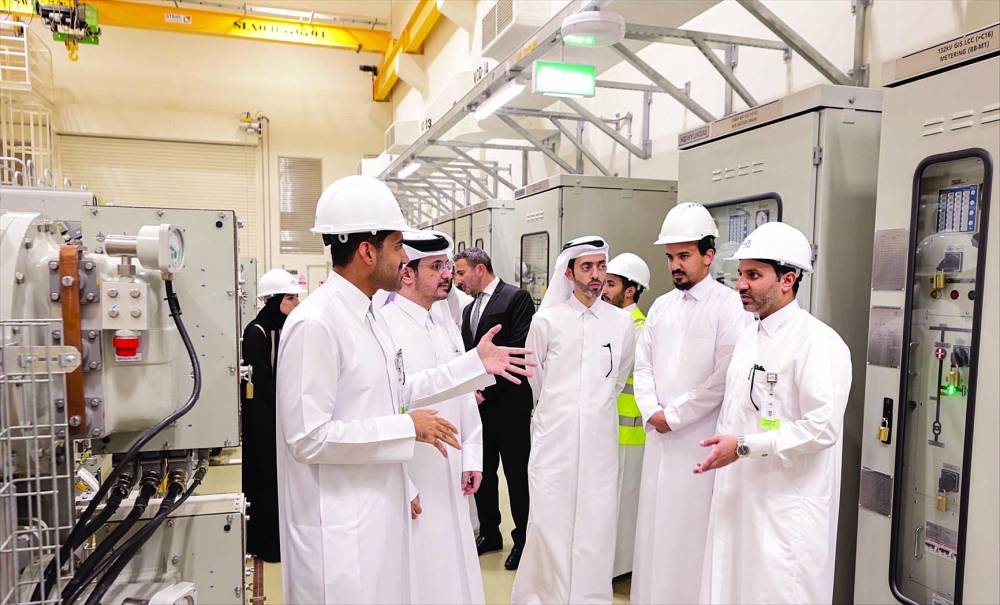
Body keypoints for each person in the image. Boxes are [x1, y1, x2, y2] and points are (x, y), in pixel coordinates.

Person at [274, 175, 535, 604]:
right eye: (398, 247)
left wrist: (475, 364)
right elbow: (307, 437)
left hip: (376, 516)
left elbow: (400, 388)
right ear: (367, 251)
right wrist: (407, 428)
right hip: (339, 530)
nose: (403, 258)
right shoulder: (317, 323)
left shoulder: (368, 317)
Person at [695, 221, 852, 605]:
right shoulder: (749, 337)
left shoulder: (818, 342)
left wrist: (744, 446)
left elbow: (822, 428)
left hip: (786, 512)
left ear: (788, 280)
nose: (740, 284)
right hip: (742, 501)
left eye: (753, 275)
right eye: (740, 274)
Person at [630, 203, 752, 605]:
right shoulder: (661, 307)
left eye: (684, 256)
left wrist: (675, 416)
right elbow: (643, 365)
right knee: (654, 532)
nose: (675, 266)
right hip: (659, 439)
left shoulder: (729, 307)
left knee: (690, 538)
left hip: (699, 442)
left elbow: (723, 376)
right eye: (670, 257)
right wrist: (651, 411)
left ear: (708, 255)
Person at [511, 236, 636, 604]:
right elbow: (536, 379)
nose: (596, 275)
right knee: (549, 517)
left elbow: (617, 377)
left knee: (596, 520)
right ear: (569, 273)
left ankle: (589, 595)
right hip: (555, 437)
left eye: (601, 266)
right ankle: (544, 594)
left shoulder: (620, 323)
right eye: (587, 267)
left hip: (599, 440)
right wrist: (564, 412)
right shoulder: (547, 321)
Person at [380, 231, 486, 604]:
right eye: (436, 266)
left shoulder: (443, 324)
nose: (447, 274)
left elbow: (464, 394)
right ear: (407, 273)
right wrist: (403, 483)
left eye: (447, 265)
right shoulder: (385, 327)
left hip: (451, 470)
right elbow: (385, 407)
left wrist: (472, 455)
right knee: (420, 570)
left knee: (454, 563)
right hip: (415, 474)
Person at [454, 248, 535, 570]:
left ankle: (523, 540)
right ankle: (490, 532)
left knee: (516, 475)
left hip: (510, 405)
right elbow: (467, 353)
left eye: (461, 273)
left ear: (480, 269)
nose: (457, 280)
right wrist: (470, 389)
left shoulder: (516, 299)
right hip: (479, 407)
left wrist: (483, 388)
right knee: (483, 471)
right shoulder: (468, 309)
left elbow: (517, 350)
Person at [240, 268, 305, 565]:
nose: (296, 304)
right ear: (273, 300)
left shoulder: (285, 329)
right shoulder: (256, 332)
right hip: (263, 423)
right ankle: (265, 544)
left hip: (280, 420)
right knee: (264, 481)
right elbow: (263, 385)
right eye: (290, 298)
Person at [601, 253, 650, 578]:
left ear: (630, 291)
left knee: (624, 503)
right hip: (609, 430)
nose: (603, 289)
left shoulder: (639, 329)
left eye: (611, 284)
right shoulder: (612, 323)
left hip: (630, 434)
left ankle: (619, 569)